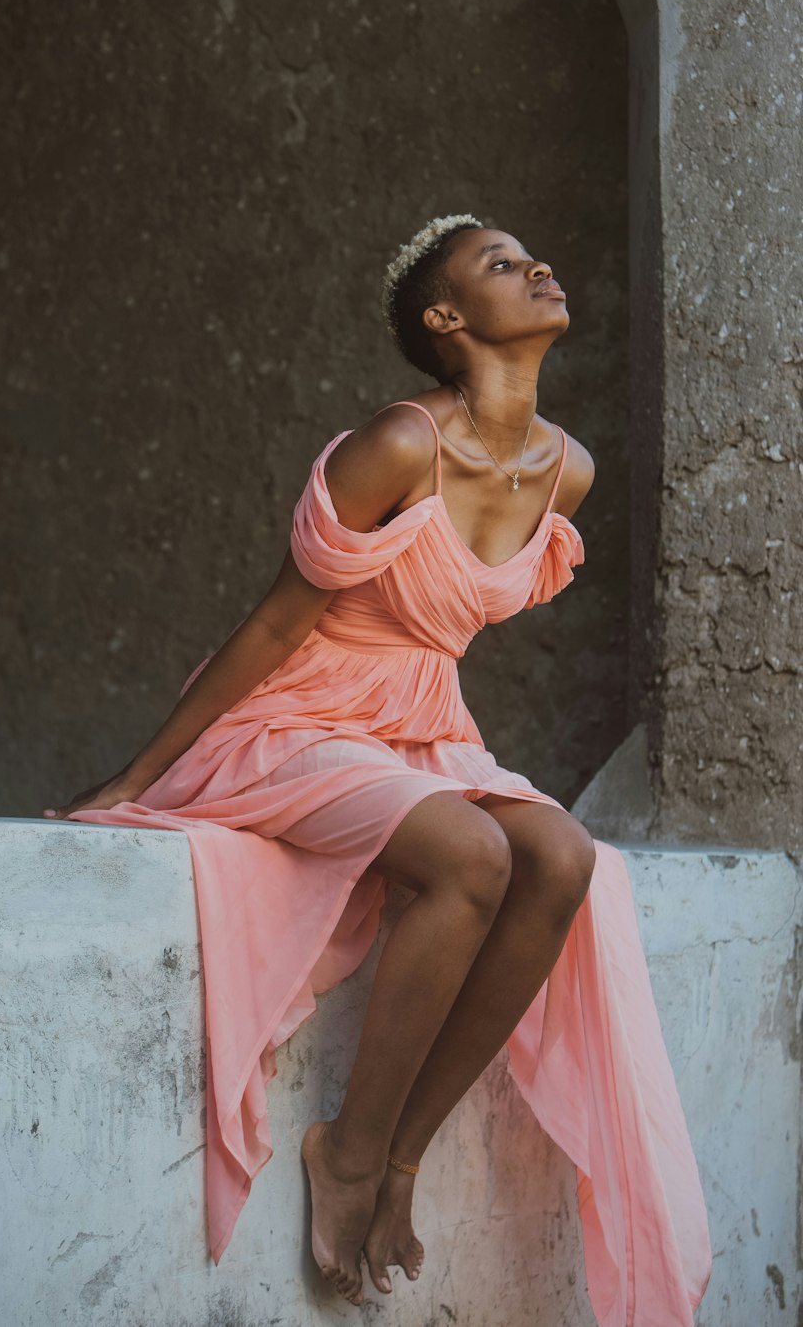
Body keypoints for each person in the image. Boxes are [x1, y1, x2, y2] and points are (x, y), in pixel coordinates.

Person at [45, 215, 712, 1322]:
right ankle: (347, 1151)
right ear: (446, 321)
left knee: (560, 854)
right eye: (501, 264)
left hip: (418, 721)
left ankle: (400, 1157)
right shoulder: (398, 445)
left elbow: (434, 642)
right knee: (469, 852)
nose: (539, 266)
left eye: (532, 255)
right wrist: (139, 773)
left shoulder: (568, 472)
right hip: (296, 711)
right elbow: (270, 629)